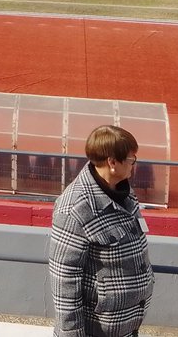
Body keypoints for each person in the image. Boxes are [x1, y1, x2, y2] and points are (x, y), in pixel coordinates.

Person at [48, 125, 154, 337]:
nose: (134, 164)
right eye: (131, 159)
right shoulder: (75, 209)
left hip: (126, 325)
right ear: (112, 162)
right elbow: (64, 281)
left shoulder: (123, 191)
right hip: (98, 330)